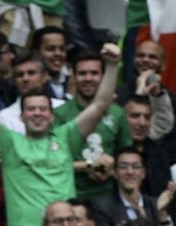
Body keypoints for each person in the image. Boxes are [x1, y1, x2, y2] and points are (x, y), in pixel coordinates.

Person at [0, 39, 121, 226]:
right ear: (21, 116)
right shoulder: (10, 142)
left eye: (42, 109)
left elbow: (101, 105)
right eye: (31, 109)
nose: (37, 113)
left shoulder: (66, 137)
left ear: (51, 115)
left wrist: (112, 66)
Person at [54, 49, 130, 203]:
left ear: (103, 77)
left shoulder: (117, 114)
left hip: (109, 197)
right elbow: (53, 163)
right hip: (71, 197)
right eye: (82, 73)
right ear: (73, 76)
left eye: (94, 73)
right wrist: (88, 166)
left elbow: (127, 155)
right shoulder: (59, 114)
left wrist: (111, 166)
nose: (88, 78)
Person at [90, 146, 173, 226]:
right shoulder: (103, 207)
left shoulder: (155, 204)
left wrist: (162, 215)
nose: (130, 172)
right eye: (123, 167)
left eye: (136, 167)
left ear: (143, 173)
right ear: (115, 173)